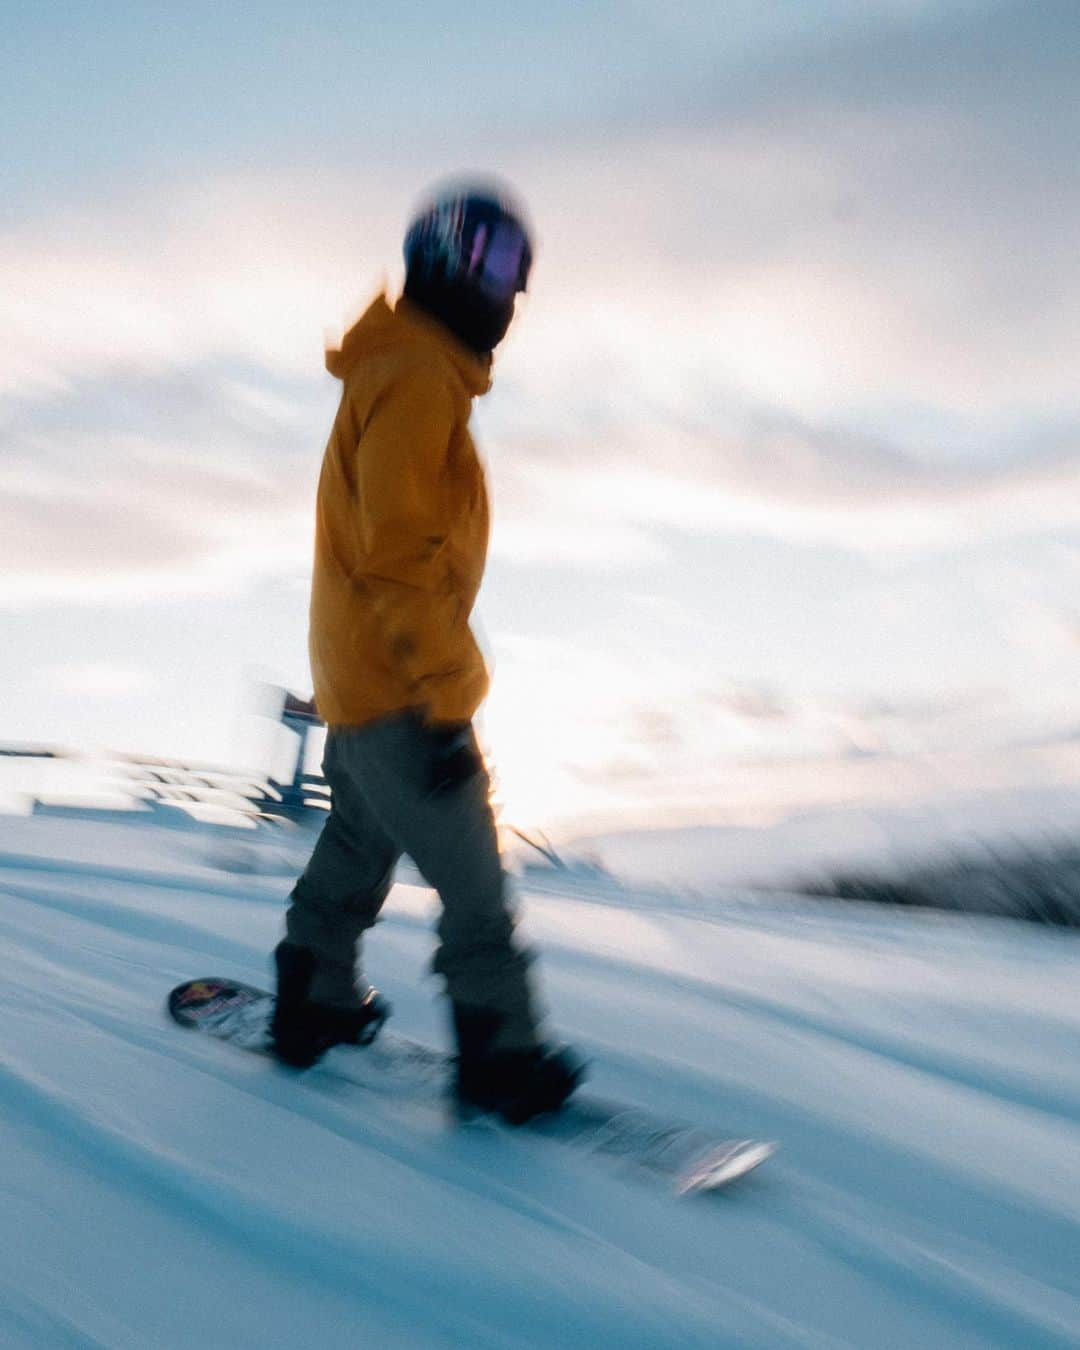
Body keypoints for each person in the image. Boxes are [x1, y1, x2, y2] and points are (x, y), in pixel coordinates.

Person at [270, 180, 584, 1124]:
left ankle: (313, 995)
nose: (511, 295)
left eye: (520, 272)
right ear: (443, 260)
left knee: (359, 847)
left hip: (362, 676)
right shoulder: (412, 378)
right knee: (474, 886)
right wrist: (450, 699)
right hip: (404, 684)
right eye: (494, 264)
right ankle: (501, 1056)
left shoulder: (406, 370)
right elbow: (401, 554)